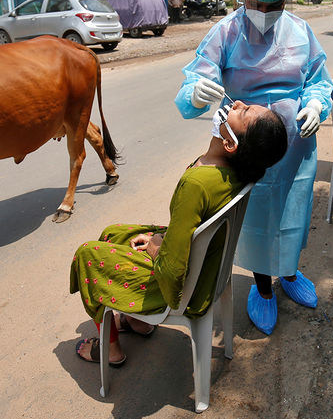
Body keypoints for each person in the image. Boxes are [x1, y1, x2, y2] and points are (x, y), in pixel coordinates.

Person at [174, 0, 333, 335]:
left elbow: (319, 79)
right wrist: (195, 93)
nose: (262, 10)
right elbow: (193, 83)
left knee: (293, 212)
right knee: (258, 217)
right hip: (247, 144)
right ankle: (263, 287)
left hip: (295, 144)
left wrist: (315, 103)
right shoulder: (226, 32)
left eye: (272, 3)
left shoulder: (300, 31)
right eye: (254, 2)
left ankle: (290, 271)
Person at [71, 101, 288, 366]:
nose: (237, 103)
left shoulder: (197, 183)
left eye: (242, 112)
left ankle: (111, 349)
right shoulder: (238, 169)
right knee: (112, 233)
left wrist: (155, 246)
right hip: (205, 266)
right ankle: (138, 322)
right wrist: (160, 240)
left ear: (231, 145)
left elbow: (173, 270)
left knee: (87, 254)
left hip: (185, 286)